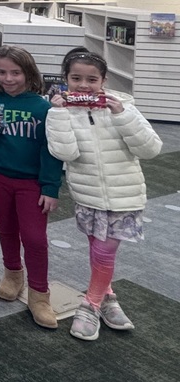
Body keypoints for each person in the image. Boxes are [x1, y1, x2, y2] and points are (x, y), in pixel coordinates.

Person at [46, 50, 162, 341]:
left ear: (104, 80)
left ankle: (91, 304)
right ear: (66, 79)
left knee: (104, 252)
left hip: (125, 196)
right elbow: (65, 153)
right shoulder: (60, 111)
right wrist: (58, 114)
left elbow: (151, 149)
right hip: (87, 196)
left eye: (92, 79)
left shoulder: (125, 107)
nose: (84, 85)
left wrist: (122, 115)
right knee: (96, 249)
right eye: (76, 78)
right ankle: (108, 296)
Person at [0, 45, 62, 329]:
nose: (8, 78)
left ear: (28, 73)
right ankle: (12, 274)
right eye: (2, 72)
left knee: (35, 238)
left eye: (15, 72)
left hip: (32, 182)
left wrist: (50, 187)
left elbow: (51, 151)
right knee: (6, 228)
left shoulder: (44, 109)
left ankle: (40, 294)